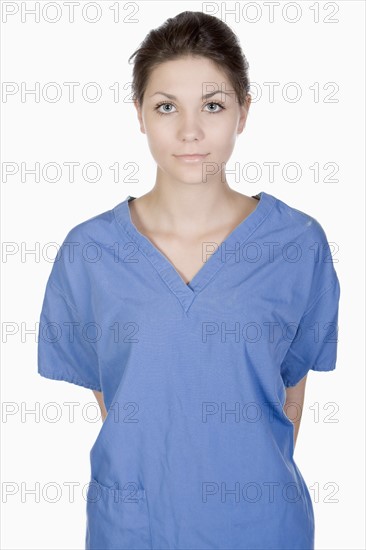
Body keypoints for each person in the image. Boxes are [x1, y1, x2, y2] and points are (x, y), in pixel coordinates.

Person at [37, 11, 341, 550]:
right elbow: (117, 399)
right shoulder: (90, 252)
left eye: (214, 106)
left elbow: (290, 395)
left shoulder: (296, 245)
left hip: (263, 530)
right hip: (134, 531)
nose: (190, 131)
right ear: (140, 113)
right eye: (166, 107)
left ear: (244, 111)